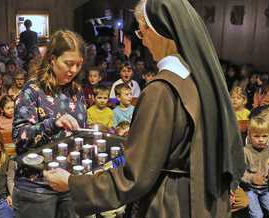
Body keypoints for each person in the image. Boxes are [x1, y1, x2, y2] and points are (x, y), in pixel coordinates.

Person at [44, 0, 245, 218]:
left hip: (172, 203)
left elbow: (135, 176)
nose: (144, 42)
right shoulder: (201, 78)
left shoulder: (162, 89)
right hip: (204, 199)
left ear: (159, 31)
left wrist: (73, 184)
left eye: (142, 32)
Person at [12, 30, 86, 218]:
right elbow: (20, 137)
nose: (74, 70)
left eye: (78, 65)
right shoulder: (32, 90)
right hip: (36, 186)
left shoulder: (76, 90)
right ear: (52, 59)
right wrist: (53, 123)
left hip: (70, 183)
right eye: (68, 64)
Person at [241, 117, 269, 218]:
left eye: (264, 136)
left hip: (266, 189)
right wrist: (251, 178)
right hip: (250, 189)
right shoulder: (245, 151)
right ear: (249, 136)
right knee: (257, 215)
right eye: (256, 136)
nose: (261, 139)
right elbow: (240, 172)